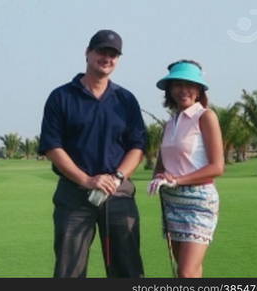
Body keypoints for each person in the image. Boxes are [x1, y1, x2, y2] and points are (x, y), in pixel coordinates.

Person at [38, 29, 147, 278]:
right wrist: (87, 180)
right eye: (101, 51)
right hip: (74, 195)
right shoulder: (61, 97)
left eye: (113, 54)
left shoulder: (126, 99)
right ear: (87, 53)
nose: (107, 58)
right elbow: (53, 147)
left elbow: (137, 146)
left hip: (118, 193)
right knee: (69, 272)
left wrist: (117, 177)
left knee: (127, 270)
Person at [149, 59, 224, 278]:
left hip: (199, 201)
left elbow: (217, 167)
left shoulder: (206, 117)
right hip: (172, 201)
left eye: (190, 85)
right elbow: (160, 167)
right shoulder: (170, 123)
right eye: (177, 85)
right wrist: (161, 177)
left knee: (186, 273)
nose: (184, 90)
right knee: (188, 271)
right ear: (170, 90)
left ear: (199, 89)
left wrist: (178, 180)